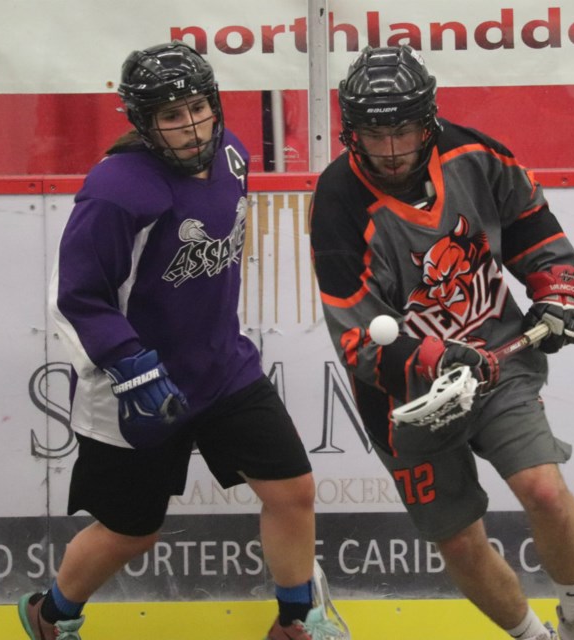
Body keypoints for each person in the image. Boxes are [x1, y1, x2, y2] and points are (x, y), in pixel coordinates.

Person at [19, 41, 347, 640]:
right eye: (171, 115)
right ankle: (52, 613)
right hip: (136, 383)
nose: (190, 124)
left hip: (222, 368)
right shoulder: (116, 189)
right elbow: (75, 295)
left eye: (198, 106)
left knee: (292, 489)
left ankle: (297, 621)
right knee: (132, 530)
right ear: (144, 122)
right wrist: (131, 366)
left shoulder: (233, 156)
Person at [309, 45, 574, 640]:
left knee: (543, 487)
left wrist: (558, 292)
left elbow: (535, 231)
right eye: (373, 134)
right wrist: (434, 357)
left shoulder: (475, 155)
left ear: (428, 119)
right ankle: (532, 637)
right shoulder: (337, 203)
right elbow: (357, 339)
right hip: (407, 398)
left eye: (403, 130)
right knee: (459, 539)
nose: (389, 150)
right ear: (350, 131)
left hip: (497, 358)